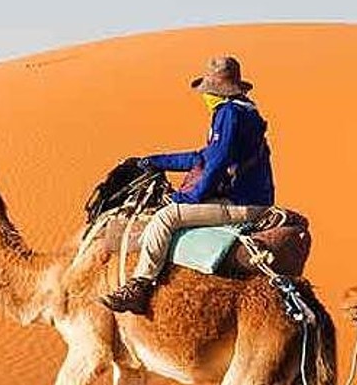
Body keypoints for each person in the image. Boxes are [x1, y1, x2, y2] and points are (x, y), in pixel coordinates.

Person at [102, 55, 275, 315]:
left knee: (165, 217)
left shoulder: (228, 113)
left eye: (207, 92)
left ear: (215, 91)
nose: (204, 97)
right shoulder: (243, 110)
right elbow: (202, 158)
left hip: (244, 203)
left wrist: (191, 197)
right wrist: (154, 162)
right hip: (250, 197)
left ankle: (140, 285)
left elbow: (217, 162)